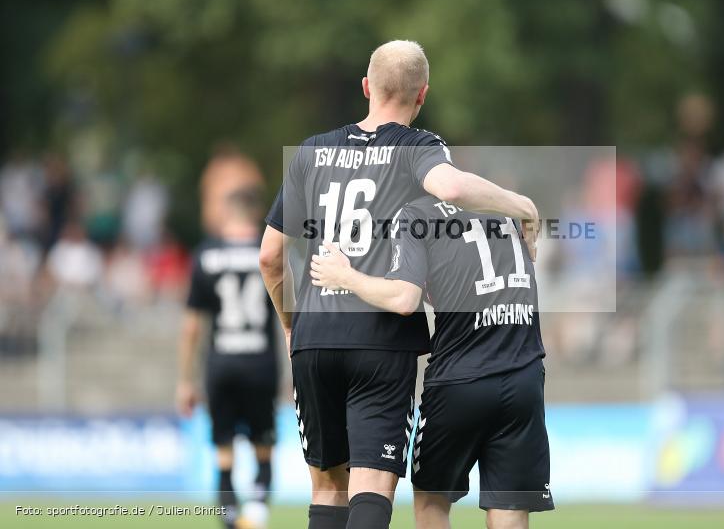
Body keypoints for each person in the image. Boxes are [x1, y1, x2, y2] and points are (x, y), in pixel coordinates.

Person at [258, 40, 539, 529]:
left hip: (315, 336)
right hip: (380, 340)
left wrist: (290, 324)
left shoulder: (311, 151)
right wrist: (521, 205)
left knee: (327, 488)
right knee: (371, 487)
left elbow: (269, 256)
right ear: (422, 95)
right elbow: (450, 189)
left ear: (366, 87)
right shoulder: (417, 147)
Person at [310, 195, 553, 529]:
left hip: (459, 378)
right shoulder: (504, 208)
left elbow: (403, 297)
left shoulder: (415, 214)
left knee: (430, 502)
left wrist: (345, 276)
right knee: (510, 510)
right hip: (524, 376)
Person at [178, 188, 280, 529]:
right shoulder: (269, 250)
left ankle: (232, 522)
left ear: (227, 212)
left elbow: (192, 326)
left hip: (221, 364)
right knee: (263, 447)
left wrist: (185, 380)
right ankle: (259, 515)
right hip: (260, 363)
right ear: (255, 212)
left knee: (224, 454)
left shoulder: (206, 254)